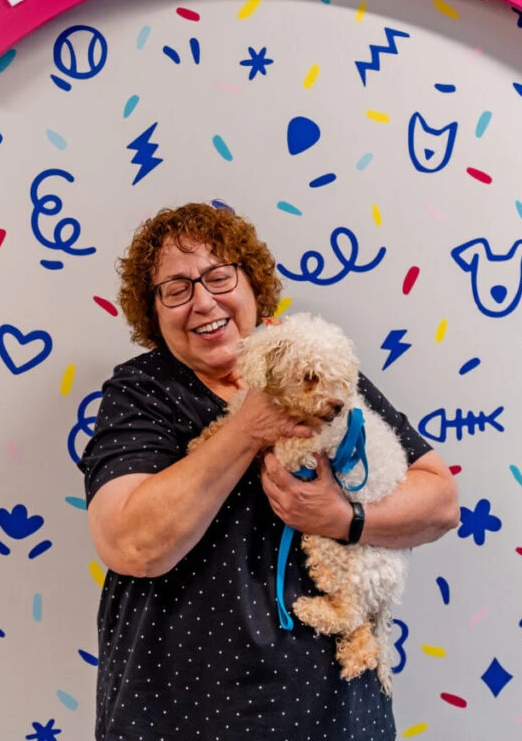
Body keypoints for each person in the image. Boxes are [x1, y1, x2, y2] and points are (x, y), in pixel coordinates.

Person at [79, 202, 459, 741]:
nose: (203, 301)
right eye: (176, 289)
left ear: (253, 283)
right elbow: (130, 544)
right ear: (154, 312)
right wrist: (247, 428)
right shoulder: (140, 394)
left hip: (336, 712)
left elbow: (440, 502)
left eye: (218, 275)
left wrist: (343, 516)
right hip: (186, 712)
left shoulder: (312, 362)